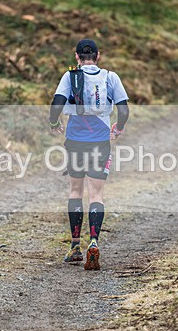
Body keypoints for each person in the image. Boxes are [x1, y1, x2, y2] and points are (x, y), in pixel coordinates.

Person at [48, 39, 129, 270]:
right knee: (96, 194)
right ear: (98, 56)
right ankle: (93, 241)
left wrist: (54, 123)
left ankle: (75, 246)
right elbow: (123, 109)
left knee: (75, 190)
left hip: (75, 139)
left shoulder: (69, 76)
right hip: (100, 141)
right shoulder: (110, 77)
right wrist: (119, 127)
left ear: (77, 57)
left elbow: (56, 103)